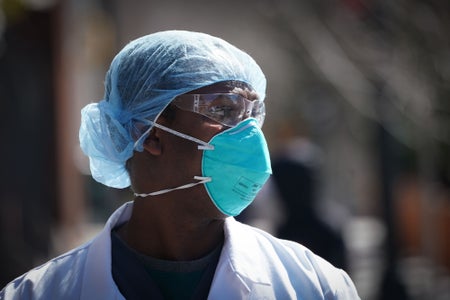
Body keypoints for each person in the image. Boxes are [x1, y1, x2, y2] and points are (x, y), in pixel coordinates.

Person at [1, 30, 360, 299]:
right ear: (149, 132)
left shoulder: (314, 285)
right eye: (223, 110)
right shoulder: (37, 294)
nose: (249, 134)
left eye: (252, 115)